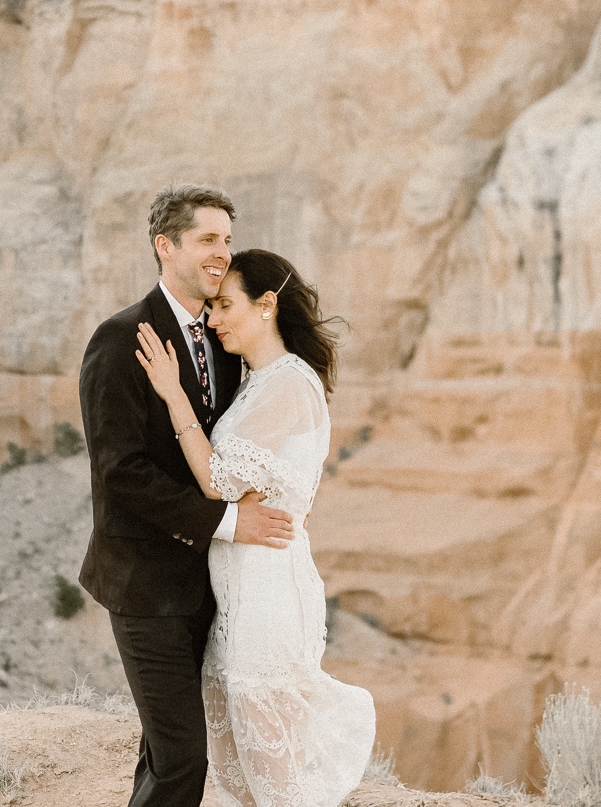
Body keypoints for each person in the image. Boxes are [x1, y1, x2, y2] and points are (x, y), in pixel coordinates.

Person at [79, 184, 298, 807]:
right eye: (207, 239)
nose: (221, 254)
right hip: (145, 585)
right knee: (183, 762)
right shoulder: (121, 340)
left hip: (213, 586)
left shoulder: (225, 341)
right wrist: (230, 521)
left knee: (167, 751)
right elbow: (119, 472)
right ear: (164, 246)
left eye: (227, 241)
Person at [133, 247, 376, 807]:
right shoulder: (257, 381)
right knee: (243, 777)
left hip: (267, 600)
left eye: (223, 306)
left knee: (277, 781)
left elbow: (218, 483)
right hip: (239, 598)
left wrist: (173, 395)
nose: (212, 320)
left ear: (266, 305)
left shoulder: (290, 382)